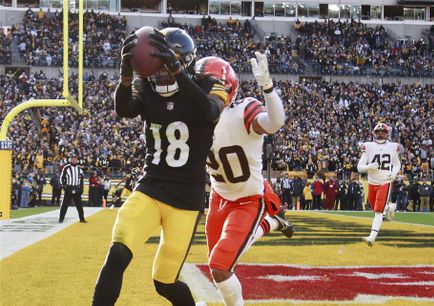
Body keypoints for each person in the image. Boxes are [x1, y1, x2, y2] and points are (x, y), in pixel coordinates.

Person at [92, 28, 227, 306]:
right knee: (118, 252)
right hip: (150, 188)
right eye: (159, 67)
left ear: (184, 62)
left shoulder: (210, 85)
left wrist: (177, 71)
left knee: (164, 283)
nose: (161, 74)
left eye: (167, 66)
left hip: (185, 200)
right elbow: (124, 110)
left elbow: (208, 112)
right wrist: (125, 77)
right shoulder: (145, 86)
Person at [203, 53, 292, 306]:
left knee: (220, 266)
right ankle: (272, 223)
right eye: (202, 84)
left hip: (247, 199)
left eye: (212, 85)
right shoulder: (195, 117)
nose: (205, 91)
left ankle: (270, 221)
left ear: (228, 89)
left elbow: (275, 122)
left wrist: (268, 87)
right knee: (218, 267)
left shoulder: (242, 110)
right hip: (218, 197)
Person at [357, 122, 401, 246]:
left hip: (384, 182)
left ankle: (372, 236)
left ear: (387, 133)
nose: (381, 134)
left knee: (378, 211)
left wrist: (394, 173)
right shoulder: (368, 146)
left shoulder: (393, 146)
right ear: (375, 133)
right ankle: (390, 208)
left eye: (383, 132)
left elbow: (397, 164)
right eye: (378, 132)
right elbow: (360, 167)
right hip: (372, 182)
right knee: (375, 207)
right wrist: (370, 166)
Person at [59, 153, 85, 223]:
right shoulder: (66, 167)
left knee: (79, 205)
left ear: (77, 160)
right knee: (65, 205)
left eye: (75, 158)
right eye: (72, 158)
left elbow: (81, 180)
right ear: (70, 159)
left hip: (77, 188)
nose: (74, 160)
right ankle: (61, 219)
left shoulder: (80, 168)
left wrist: (81, 189)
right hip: (69, 188)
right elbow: (61, 178)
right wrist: (64, 187)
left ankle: (82, 219)